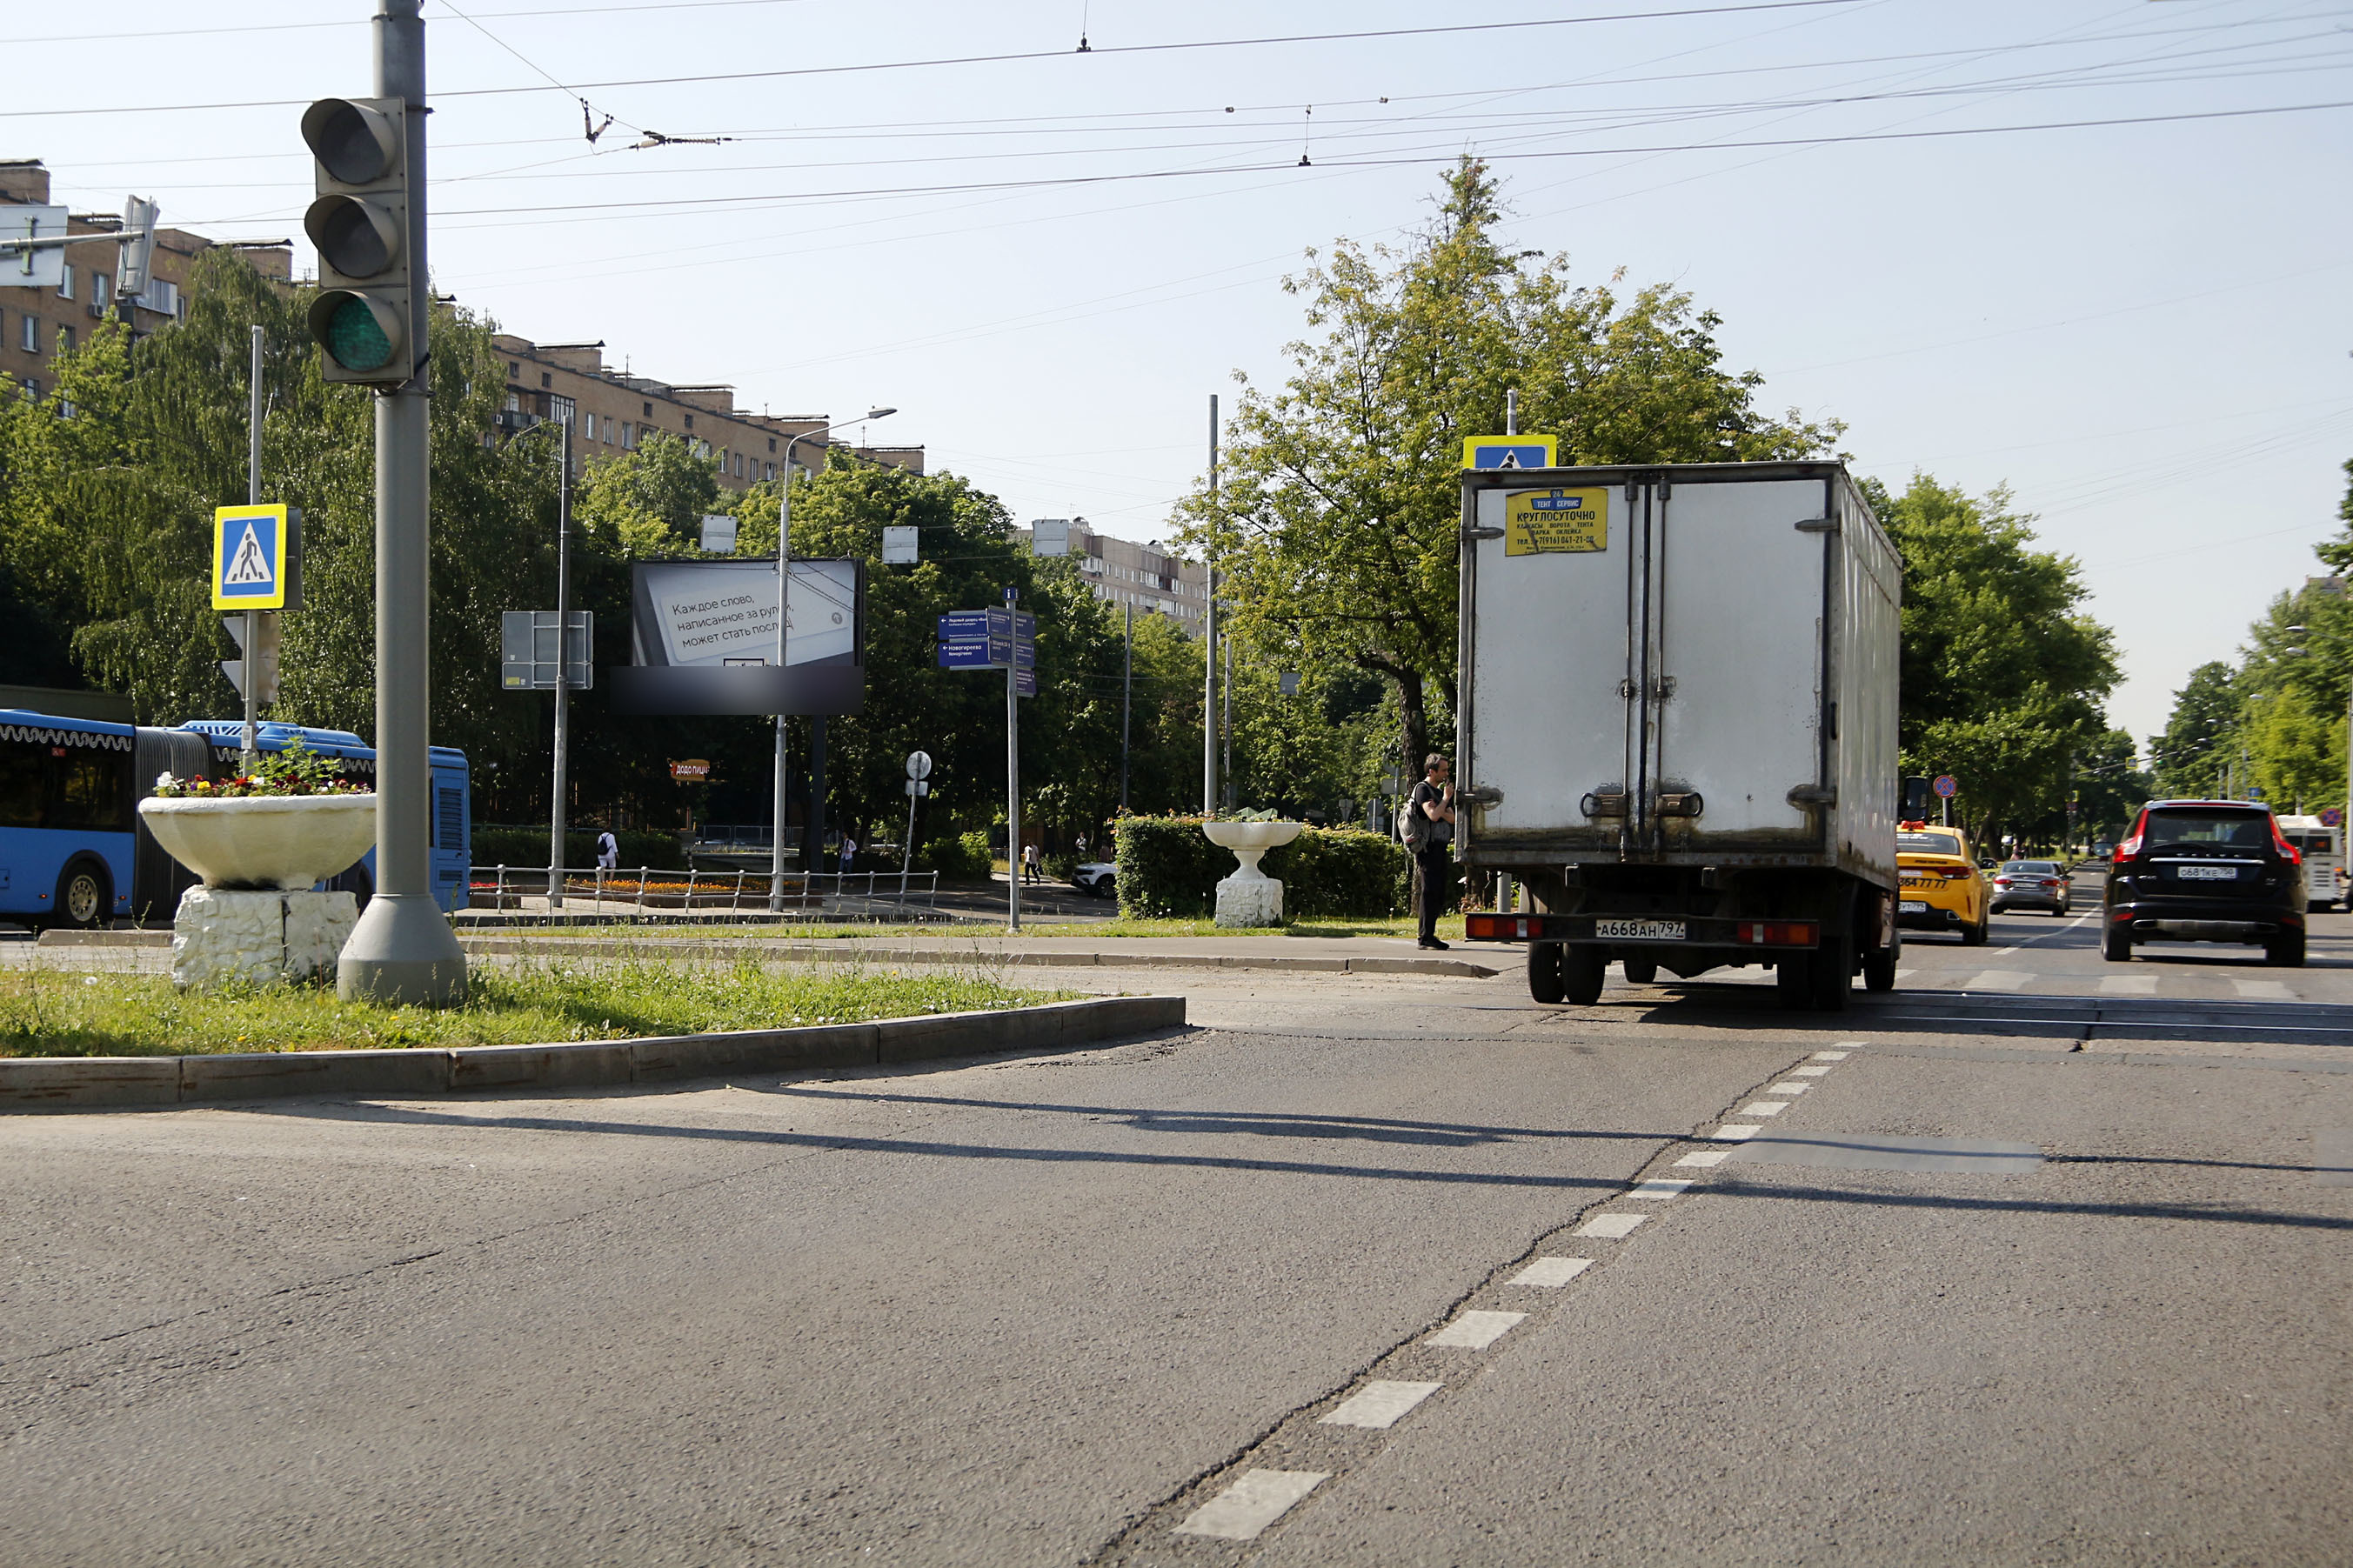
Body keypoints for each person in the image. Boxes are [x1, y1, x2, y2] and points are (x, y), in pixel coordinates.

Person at [1407, 753, 1456, 950]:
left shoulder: (1436, 794)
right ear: (1431, 771)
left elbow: (1452, 818)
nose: (1446, 774)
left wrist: (1442, 805)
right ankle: (1424, 937)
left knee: (1438, 892)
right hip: (1427, 848)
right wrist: (1445, 800)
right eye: (1443, 770)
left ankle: (1431, 935)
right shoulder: (1423, 790)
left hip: (1440, 847)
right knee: (1429, 892)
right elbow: (1434, 815)